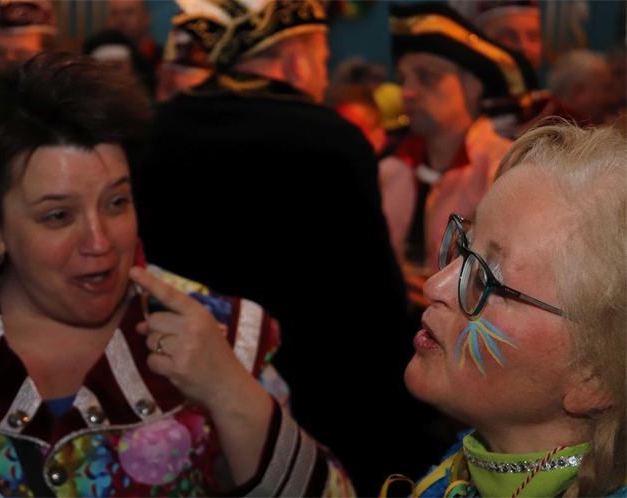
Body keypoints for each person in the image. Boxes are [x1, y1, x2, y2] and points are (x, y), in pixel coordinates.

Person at [0, 52, 353, 497]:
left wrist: (229, 391)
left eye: (117, 202)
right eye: (58, 216)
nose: (100, 241)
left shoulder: (219, 334)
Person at [136, 0, 412, 493]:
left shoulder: (151, 129)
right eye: (322, 59)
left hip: (172, 391)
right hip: (311, 404)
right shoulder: (332, 140)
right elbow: (373, 305)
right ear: (295, 61)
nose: (323, 75)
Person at [382, 123, 627, 497]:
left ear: (593, 376)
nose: (435, 286)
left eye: (487, 279)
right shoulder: (461, 468)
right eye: (465, 246)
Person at [381, 2, 531, 298]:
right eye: (402, 79)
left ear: (472, 86)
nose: (407, 92)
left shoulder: (504, 169)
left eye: (426, 77)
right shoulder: (388, 168)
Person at [106, 0, 162, 72]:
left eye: (129, 12)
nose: (121, 20)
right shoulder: (100, 59)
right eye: (115, 13)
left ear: (146, 17)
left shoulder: (163, 61)